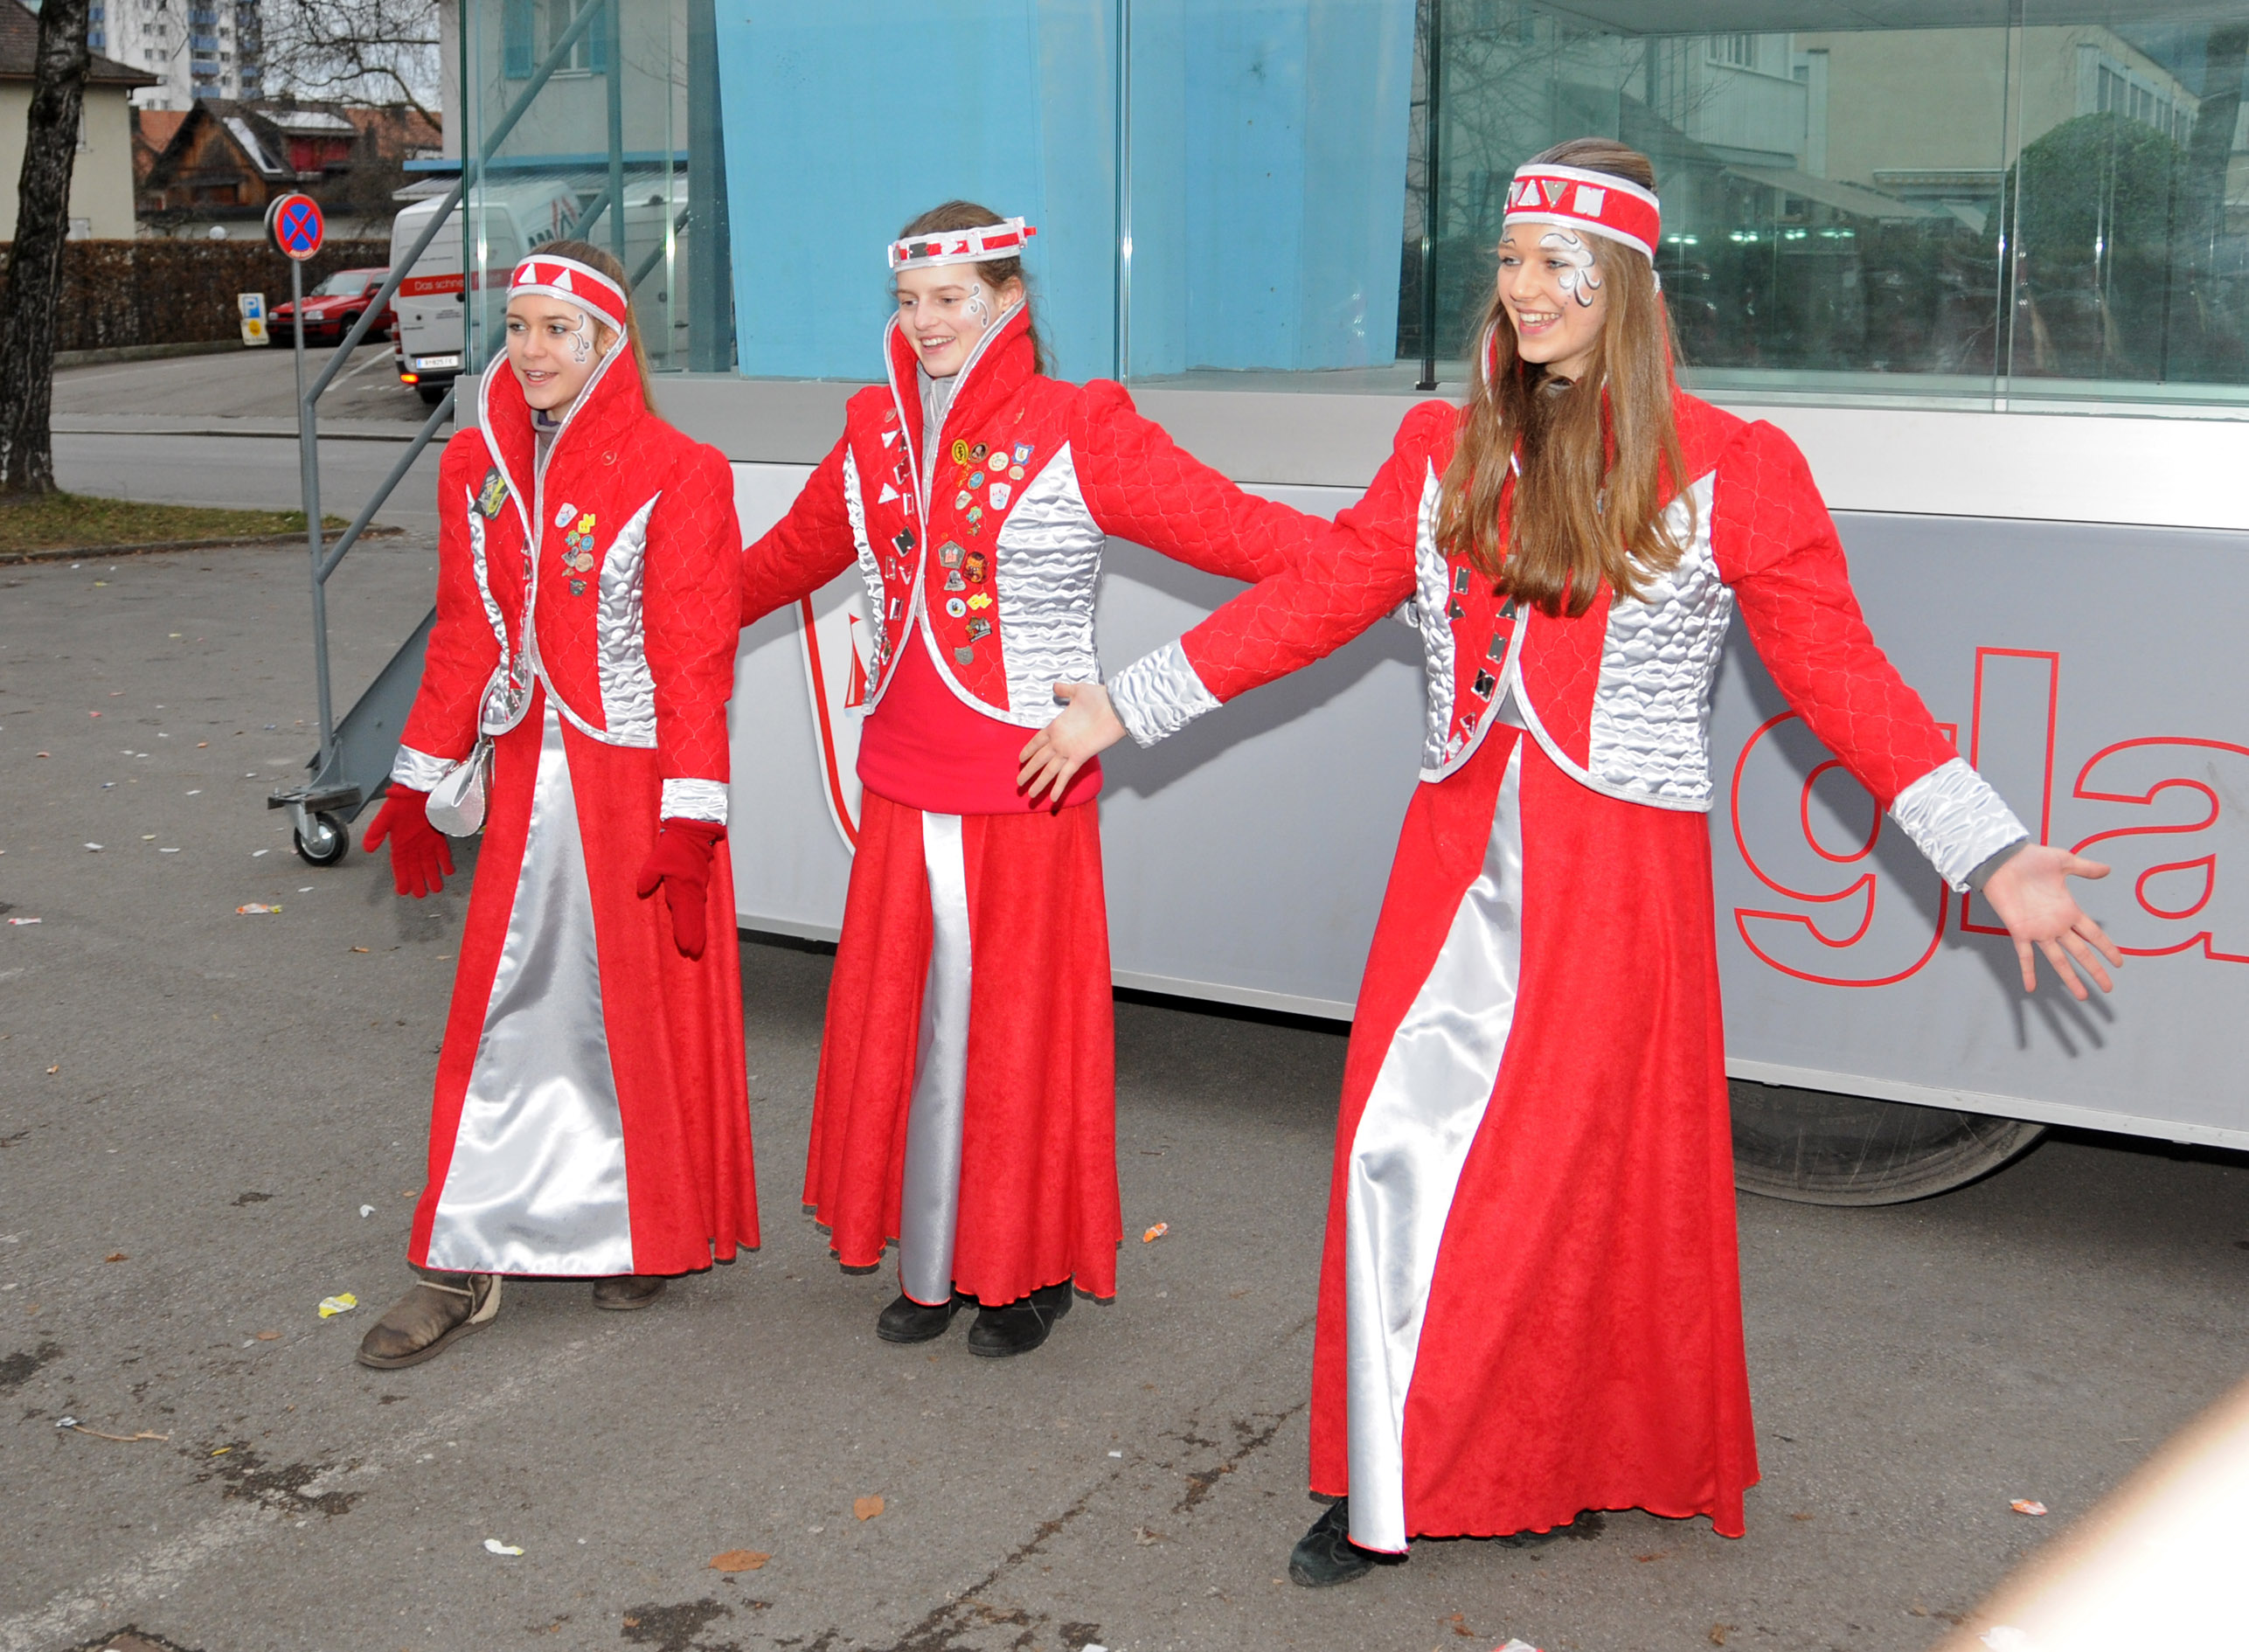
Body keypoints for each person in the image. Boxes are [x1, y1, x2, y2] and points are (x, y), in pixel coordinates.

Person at [1019, 140, 2122, 1577]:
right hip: (1452, 858)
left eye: (1558, 264)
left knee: (1572, 1181)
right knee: (1398, 1147)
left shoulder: (1735, 467)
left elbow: (1841, 680)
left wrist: (1990, 851)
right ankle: (1402, 1464)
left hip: (1614, 880)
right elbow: (1319, 598)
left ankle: (1539, 1452)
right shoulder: (1443, 445)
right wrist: (1130, 702)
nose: (1524, 288)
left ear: (1627, 284)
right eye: (1509, 260)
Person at [737, 201, 1333, 1357]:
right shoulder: (871, 430)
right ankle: (930, 1250)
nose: (925, 323)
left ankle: (1025, 1265)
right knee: (912, 1026)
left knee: (1018, 1036)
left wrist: (1397, 558)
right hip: (903, 780)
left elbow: (1249, 537)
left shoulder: (1079, 426)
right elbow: (779, 564)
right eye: (908, 302)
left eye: (950, 300)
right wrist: (644, 626)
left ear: (1007, 300)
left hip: (1025, 777)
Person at [354, 240, 755, 1369]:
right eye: (520, 325)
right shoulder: (474, 461)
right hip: (527, 773)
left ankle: (637, 1226)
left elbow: (693, 663)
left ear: (609, 342)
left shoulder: (681, 469)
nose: (531, 349)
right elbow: (465, 631)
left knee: (631, 1013)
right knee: (506, 1007)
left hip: (635, 788)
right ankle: (461, 1257)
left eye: (558, 330)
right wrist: (418, 776)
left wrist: (691, 819)